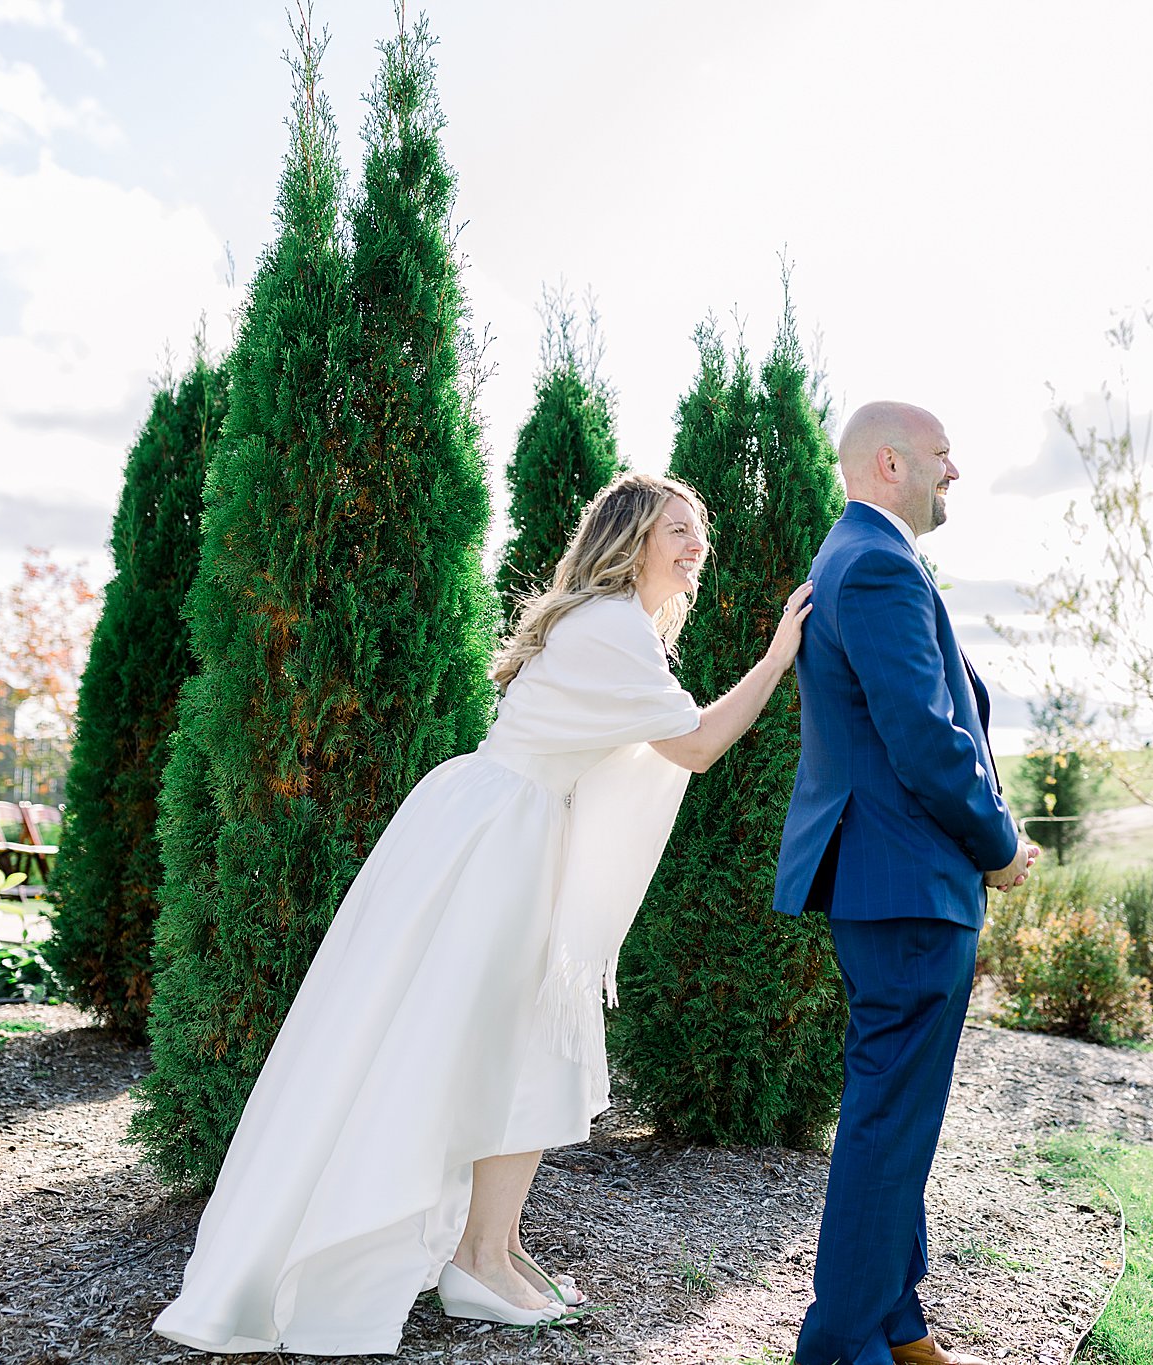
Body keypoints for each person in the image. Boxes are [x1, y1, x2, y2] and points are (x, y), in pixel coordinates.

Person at [153, 472, 813, 1354]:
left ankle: (489, 1251)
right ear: (630, 540)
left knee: (521, 1045)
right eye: (678, 531)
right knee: (509, 1044)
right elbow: (693, 746)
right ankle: (476, 1259)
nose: (697, 547)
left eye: (701, 533)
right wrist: (776, 657)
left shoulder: (620, 630)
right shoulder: (612, 627)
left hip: (507, 827)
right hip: (503, 839)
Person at [773, 401, 1038, 1365]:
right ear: (890, 462)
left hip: (893, 885)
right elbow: (927, 740)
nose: (954, 471)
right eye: (941, 454)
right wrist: (1000, 844)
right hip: (908, 886)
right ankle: (843, 1345)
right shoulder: (879, 563)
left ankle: (897, 1321)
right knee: (889, 1123)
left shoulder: (853, 557)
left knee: (898, 1116)